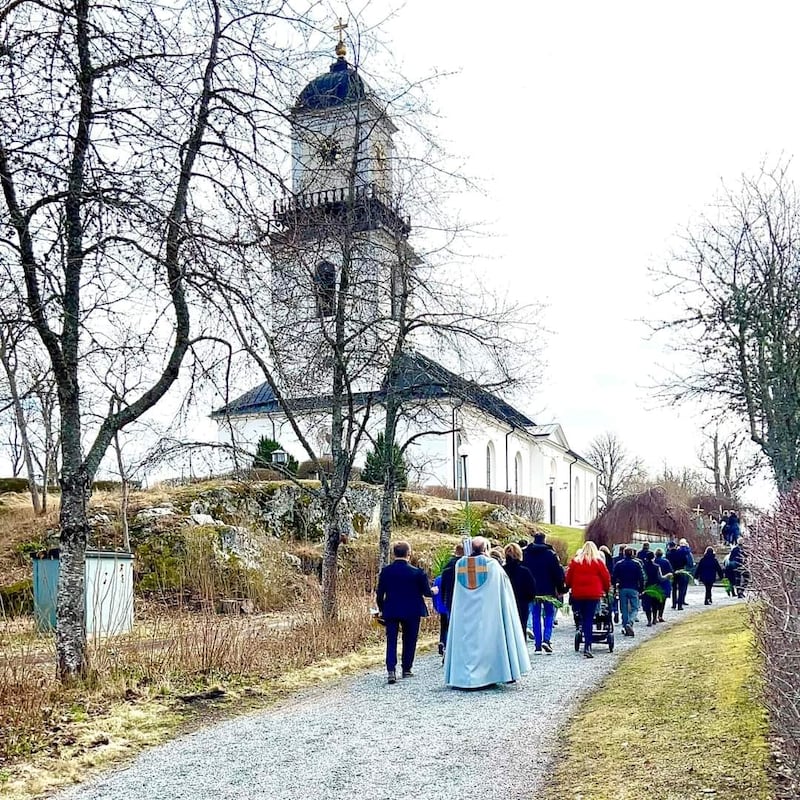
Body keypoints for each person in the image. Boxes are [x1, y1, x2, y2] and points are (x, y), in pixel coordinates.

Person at [444, 536, 531, 688]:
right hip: (488, 614)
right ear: (485, 549)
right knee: (489, 640)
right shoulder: (493, 566)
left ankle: (463, 677)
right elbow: (504, 591)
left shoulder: (460, 565)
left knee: (465, 642)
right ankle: (490, 675)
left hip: (464, 615)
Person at [375, 541, 434, 685]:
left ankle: (391, 670)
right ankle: (406, 669)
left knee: (391, 640)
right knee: (410, 640)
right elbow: (426, 592)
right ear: (409, 554)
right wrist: (434, 591)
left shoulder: (386, 571)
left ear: (394, 554)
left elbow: (379, 594)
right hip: (412, 610)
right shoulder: (417, 572)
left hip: (392, 610)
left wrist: (382, 609)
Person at [564, 541, 611, 659]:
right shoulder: (598, 562)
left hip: (578, 594)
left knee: (583, 618)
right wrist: (606, 589)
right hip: (593, 594)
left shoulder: (576, 562)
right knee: (589, 619)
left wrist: (569, 586)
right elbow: (605, 577)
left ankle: (581, 631)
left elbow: (568, 578)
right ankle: (587, 646)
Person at [523, 532, 565, 654]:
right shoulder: (550, 554)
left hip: (533, 590)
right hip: (548, 590)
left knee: (535, 616)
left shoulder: (526, 554)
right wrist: (560, 588)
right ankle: (546, 639)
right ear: (544, 540)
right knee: (549, 614)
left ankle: (537, 645)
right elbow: (557, 573)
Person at [435, 543, 463, 656]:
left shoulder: (448, 566)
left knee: (447, 625)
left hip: (449, 600)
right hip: (462, 600)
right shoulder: (466, 565)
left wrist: (443, 600)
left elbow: (443, 585)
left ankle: (445, 644)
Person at [503, 542, 537, 635]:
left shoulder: (501, 571)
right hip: (521, 604)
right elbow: (532, 591)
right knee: (521, 632)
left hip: (505, 605)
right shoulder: (525, 572)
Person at [612, 547, 644, 636]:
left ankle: (625, 625)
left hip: (622, 588)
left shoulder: (619, 564)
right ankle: (630, 622)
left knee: (624, 608)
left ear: (624, 554)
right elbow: (641, 577)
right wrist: (641, 589)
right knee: (635, 607)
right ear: (633, 554)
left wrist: (614, 588)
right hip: (634, 588)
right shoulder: (637, 564)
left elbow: (614, 577)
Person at [666, 538, 694, 610]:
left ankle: (674, 604)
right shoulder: (681, 553)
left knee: (674, 589)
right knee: (681, 589)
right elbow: (685, 561)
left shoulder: (668, 554)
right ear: (675, 546)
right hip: (681, 571)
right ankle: (680, 605)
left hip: (673, 572)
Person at [640, 551, 665, 626]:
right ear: (653, 557)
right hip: (655, 586)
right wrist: (667, 576)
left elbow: (643, 577)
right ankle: (654, 619)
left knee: (647, 604)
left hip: (647, 587)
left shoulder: (643, 566)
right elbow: (660, 577)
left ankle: (649, 620)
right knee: (655, 604)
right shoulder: (657, 566)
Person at [653, 548, 672, 622]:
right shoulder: (666, 561)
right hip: (664, 582)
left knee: (655, 600)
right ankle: (660, 615)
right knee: (663, 600)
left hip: (656, 583)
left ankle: (654, 616)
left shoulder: (654, 562)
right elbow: (670, 571)